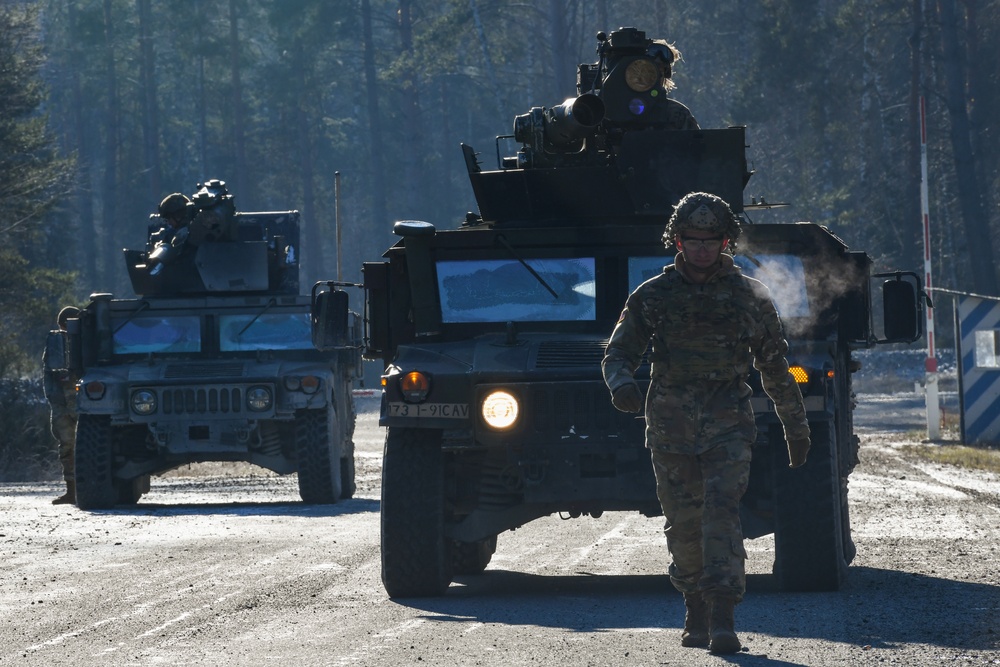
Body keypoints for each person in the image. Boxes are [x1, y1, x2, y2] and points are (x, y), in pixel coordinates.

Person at [601, 192, 810, 654]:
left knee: (721, 512)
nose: (700, 248)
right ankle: (694, 604)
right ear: (677, 240)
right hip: (670, 426)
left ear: (725, 242)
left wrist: (796, 425)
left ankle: (722, 614)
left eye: (710, 239)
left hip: (729, 425)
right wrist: (621, 385)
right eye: (692, 239)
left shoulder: (750, 297)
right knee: (683, 522)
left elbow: (776, 366)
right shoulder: (653, 295)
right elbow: (618, 352)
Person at [43, 305, 82, 505]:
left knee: (85, 446)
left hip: (81, 404)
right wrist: (55, 401)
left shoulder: (86, 341)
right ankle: (71, 491)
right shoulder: (55, 344)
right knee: (67, 447)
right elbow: (48, 376)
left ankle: (82, 490)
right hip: (63, 404)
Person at [647, 39, 700, 131]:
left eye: (659, 69)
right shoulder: (617, 111)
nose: (654, 77)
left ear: (666, 73)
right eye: (648, 71)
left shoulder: (677, 114)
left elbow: (697, 143)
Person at [148, 192, 193, 274]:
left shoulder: (187, 233)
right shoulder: (174, 232)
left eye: (168, 218)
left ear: (178, 216)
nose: (168, 222)